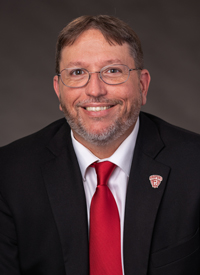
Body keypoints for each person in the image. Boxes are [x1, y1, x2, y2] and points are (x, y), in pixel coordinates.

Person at [0, 15, 199, 275]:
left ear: (142, 85)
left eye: (113, 71)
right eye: (77, 72)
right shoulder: (9, 174)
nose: (95, 90)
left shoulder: (194, 165)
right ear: (59, 90)